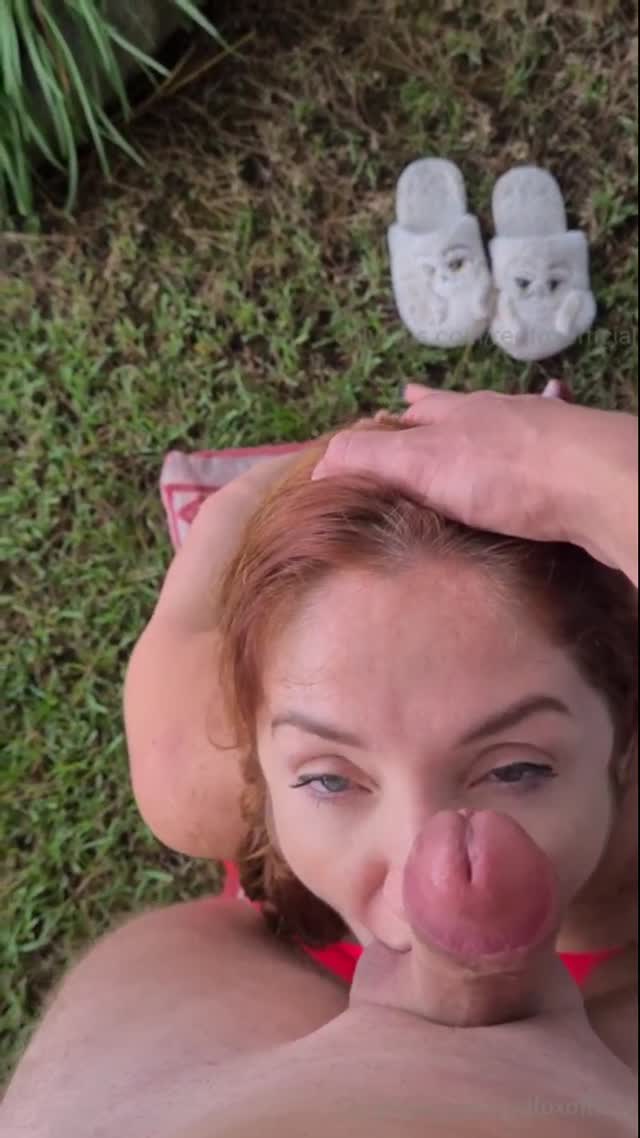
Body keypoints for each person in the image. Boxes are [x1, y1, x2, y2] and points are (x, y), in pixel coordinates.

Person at [3, 387, 637, 1138]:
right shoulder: (195, 765)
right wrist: (328, 462)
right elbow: (229, 519)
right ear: (257, 751)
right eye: (330, 779)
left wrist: (592, 475)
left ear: (623, 734)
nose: (423, 899)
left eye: (515, 771)